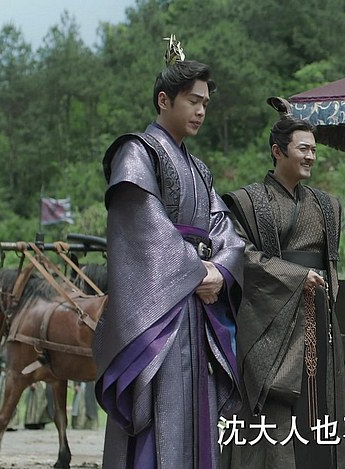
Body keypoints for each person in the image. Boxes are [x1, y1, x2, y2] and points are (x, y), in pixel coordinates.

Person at [93, 35, 244, 469]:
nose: (201, 111)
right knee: (159, 408)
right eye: (193, 101)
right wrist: (198, 273)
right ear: (164, 100)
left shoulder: (200, 169)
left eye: (206, 104)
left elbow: (225, 230)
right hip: (160, 312)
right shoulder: (136, 153)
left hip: (198, 308)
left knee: (198, 409)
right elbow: (143, 229)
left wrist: (220, 272)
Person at [221, 98, 345, 469]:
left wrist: (319, 287)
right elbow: (241, 255)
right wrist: (297, 277)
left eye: (314, 150)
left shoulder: (325, 205)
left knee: (323, 398)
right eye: (303, 149)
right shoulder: (248, 202)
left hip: (317, 311)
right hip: (271, 319)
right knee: (277, 404)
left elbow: (330, 261)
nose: (310, 156)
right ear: (277, 151)